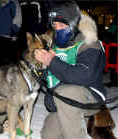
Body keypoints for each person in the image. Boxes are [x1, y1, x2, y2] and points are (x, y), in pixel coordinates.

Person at [34, 1, 107, 139]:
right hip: (63, 99)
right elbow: (51, 75)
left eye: (61, 25)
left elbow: (84, 76)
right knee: (48, 135)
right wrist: (41, 68)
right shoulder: (56, 44)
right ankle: (77, 120)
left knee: (65, 92)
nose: (57, 29)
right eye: (55, 26)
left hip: (90, 95)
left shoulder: (89, 42)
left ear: (73, 25)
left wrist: (52, 62)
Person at [0, 0, 20, 66]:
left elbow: (17, 19)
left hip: (6, 35)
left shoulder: (13, 4)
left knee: (6, 62)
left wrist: (15, 31)